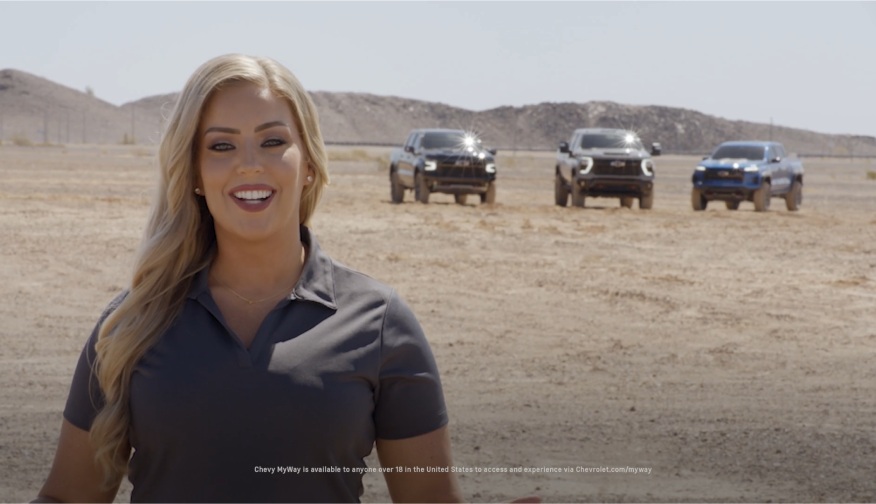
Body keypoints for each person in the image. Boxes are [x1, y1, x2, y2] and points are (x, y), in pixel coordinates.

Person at [31, 54, 539, 504]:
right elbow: (69, 497)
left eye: (273, 141)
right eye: (222, 146)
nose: (249, 165)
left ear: (310, 164)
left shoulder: (380, 321)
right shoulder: (131, 323)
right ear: (192, 174)